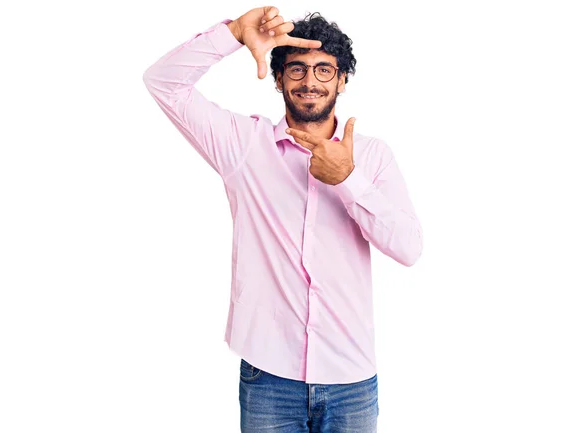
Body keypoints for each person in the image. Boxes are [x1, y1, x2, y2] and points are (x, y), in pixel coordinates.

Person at [142, 5, 423, 432]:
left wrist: (348, 180)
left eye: (324, 70)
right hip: (269, 376)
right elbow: (163, 83)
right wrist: (235, 33)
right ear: (278, 79)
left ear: (343, 80)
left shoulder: (372, 157)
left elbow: (408, 248)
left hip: (350, 378)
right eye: (296, 69)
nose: (310, 81)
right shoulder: (243, 145)